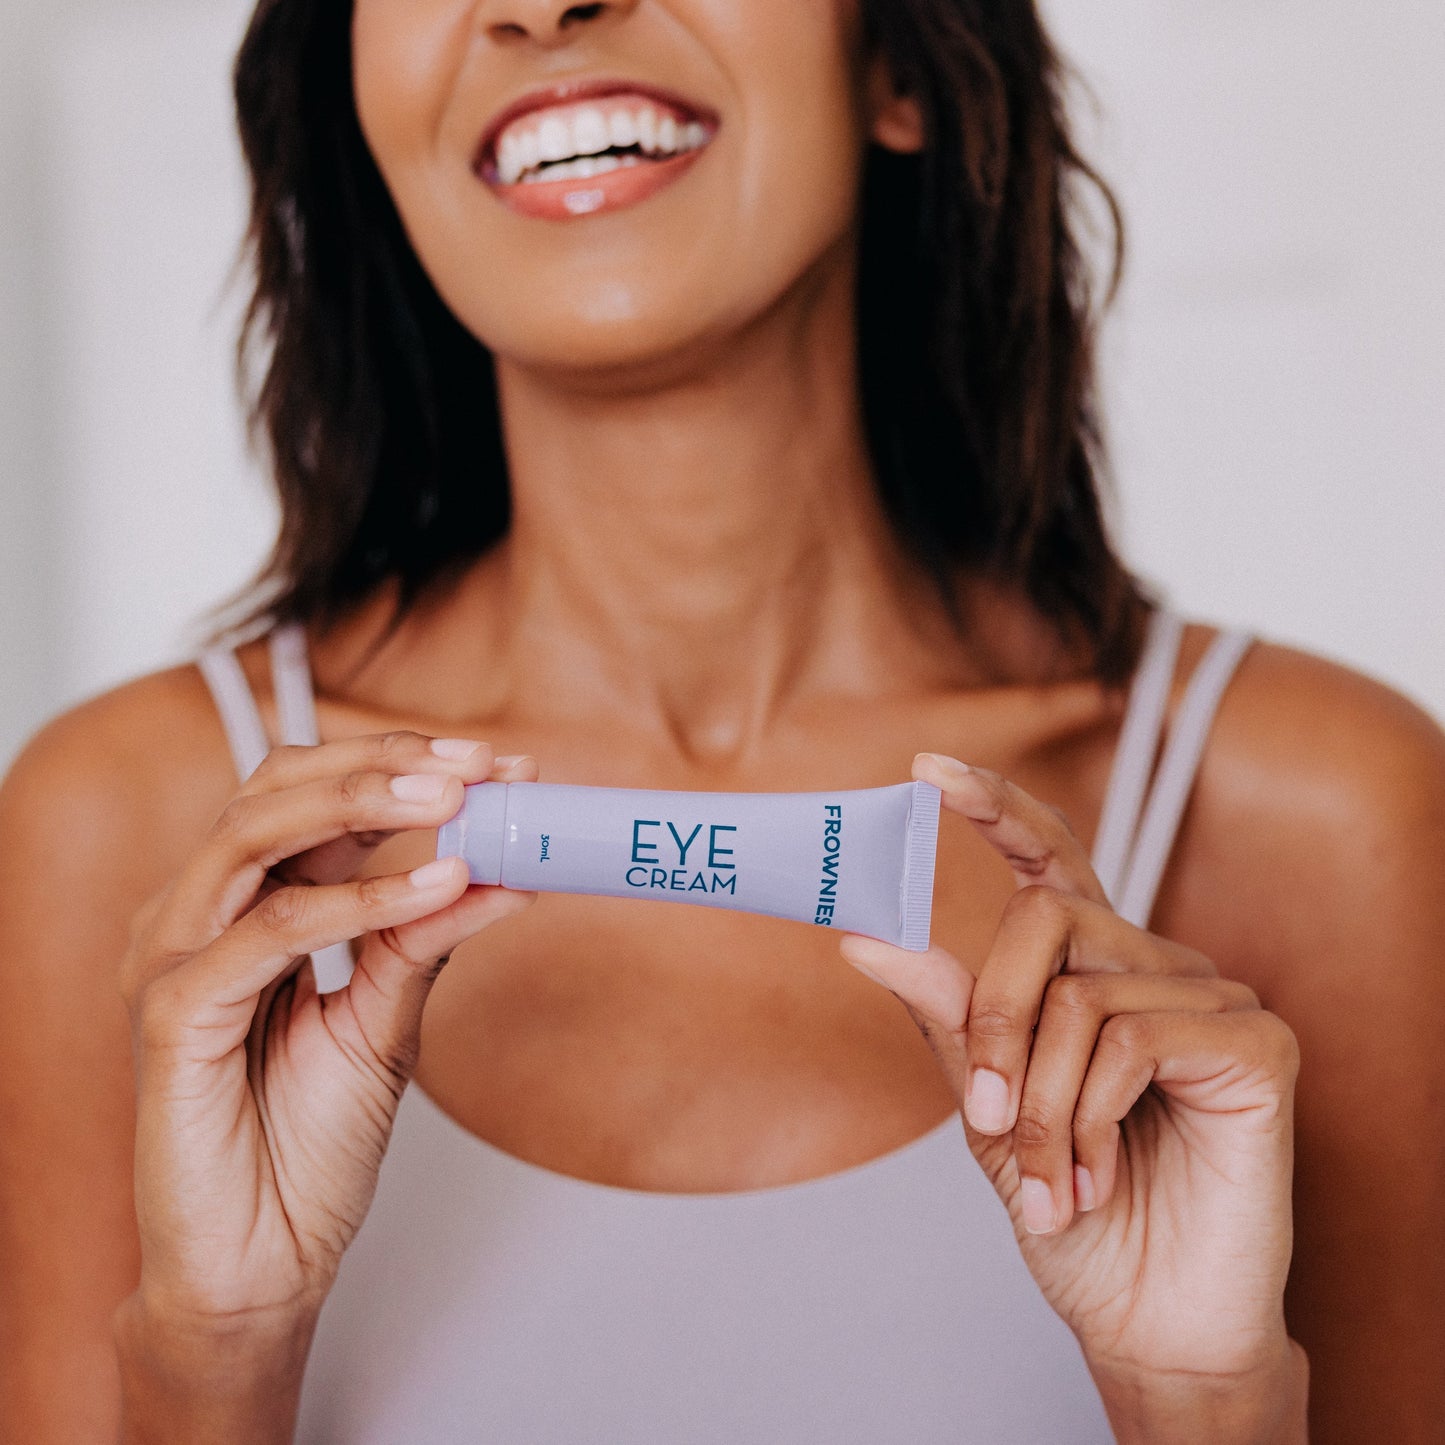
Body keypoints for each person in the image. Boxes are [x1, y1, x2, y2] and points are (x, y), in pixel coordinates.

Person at [0, 0, 1440, 1439]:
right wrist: (211, 1354)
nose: (545, 5)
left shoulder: (1316, 816)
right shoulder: (129, 824)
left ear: (895, 62)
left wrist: (1200, 1404)